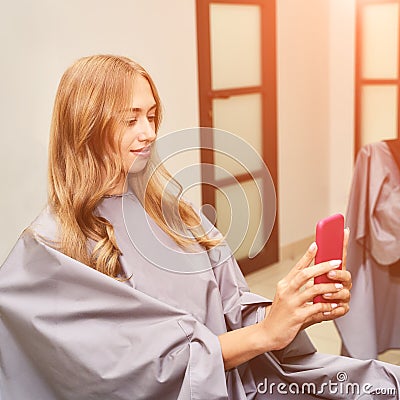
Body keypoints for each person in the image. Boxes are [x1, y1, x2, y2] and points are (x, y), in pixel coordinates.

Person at [0, 54, 399, 400]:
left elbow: (231, 306)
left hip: (242, 379)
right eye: (130, 120)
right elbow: (123, 375)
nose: (149, 133)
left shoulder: (177, 214)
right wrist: (263, 336)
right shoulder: (49, 251)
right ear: (85, 127)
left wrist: (291, 309)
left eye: (152, 116)